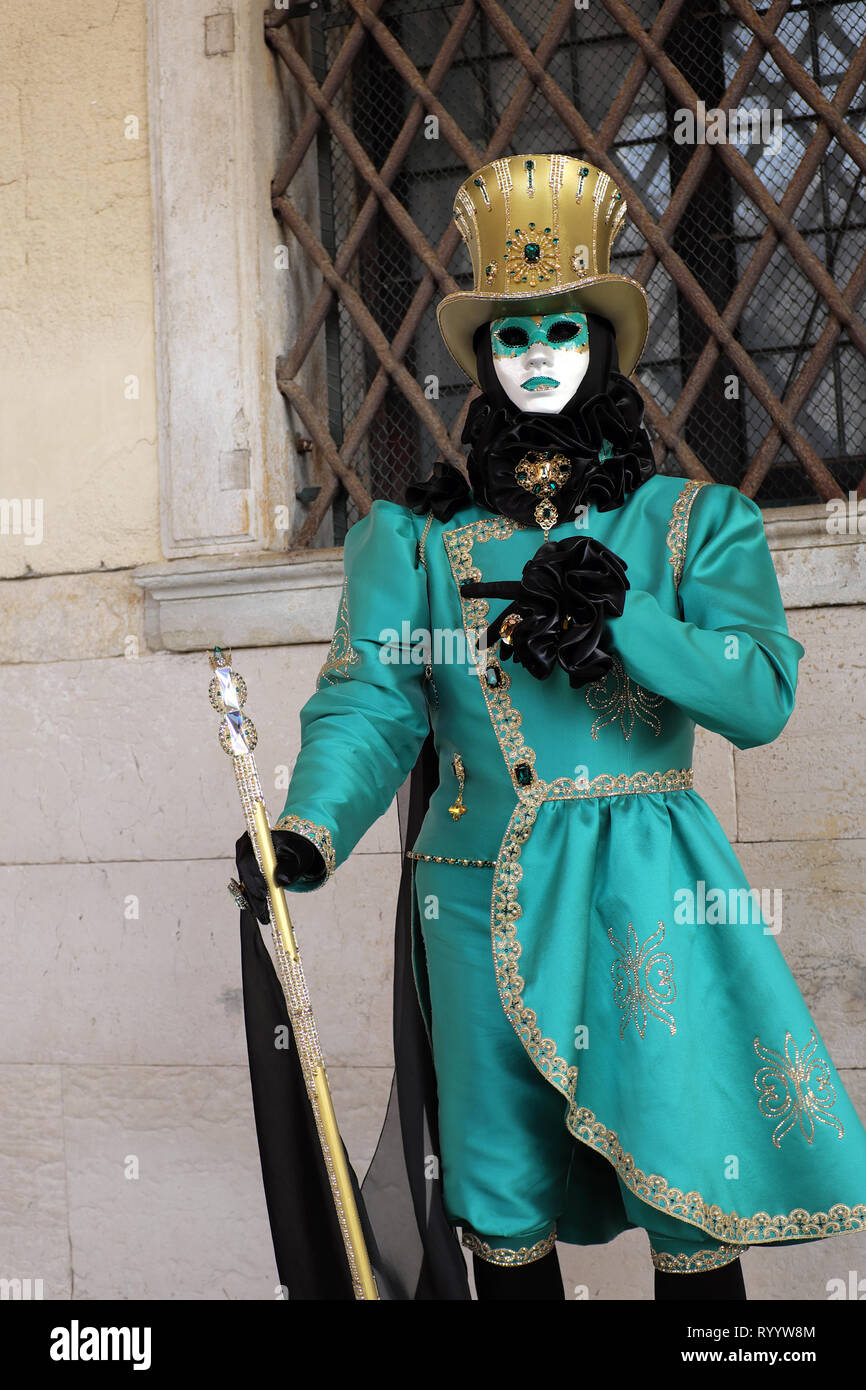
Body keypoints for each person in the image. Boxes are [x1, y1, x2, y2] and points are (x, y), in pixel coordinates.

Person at [237, 154, 866, 1301]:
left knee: (687, 1175)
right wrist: (307, 828)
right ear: (482, 361)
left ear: (604, 347)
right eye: (511, 342)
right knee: (498, 1190)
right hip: (472, 894)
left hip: (650, 883)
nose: (535, 363)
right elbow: (371, 697)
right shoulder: (414, 543)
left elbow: (758, 694)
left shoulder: (693, 523)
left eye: (560, 335)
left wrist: (624, 620)